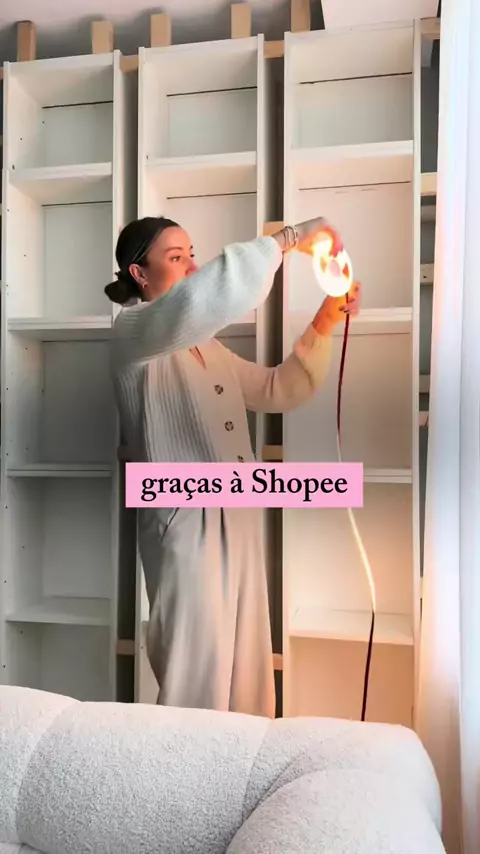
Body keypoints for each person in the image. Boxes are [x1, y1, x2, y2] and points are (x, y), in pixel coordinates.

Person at [105, 216, 360, 718]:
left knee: (247, 672)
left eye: (191, 253)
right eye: (176, 257)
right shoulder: (131, 331)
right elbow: (200, 300)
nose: (192, 265)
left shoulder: (208, 347)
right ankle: (180, 770)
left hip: (238, 511)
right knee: (195, 677)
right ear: (139, 272)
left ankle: (240, 765)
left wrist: (325, 320)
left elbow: (276, 389)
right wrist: (288, 240)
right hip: (184, 522)